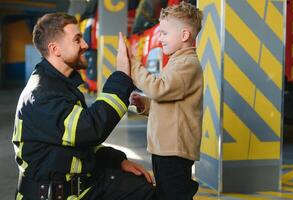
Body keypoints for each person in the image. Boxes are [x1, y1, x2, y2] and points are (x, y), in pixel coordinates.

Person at [12, 13, 156, 200]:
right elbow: (89, 128)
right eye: (77, 39)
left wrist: (117, 160)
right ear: (55, 49)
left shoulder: (60, 86)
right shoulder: (41, 94)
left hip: (74, 186)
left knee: (141, 188)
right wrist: (121, 76)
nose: (86, 45)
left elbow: (81, 145)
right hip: (54, 195)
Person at [120, 1, 204, 199]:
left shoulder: (187, 64)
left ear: (184, 35)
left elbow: (160, 90)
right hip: (165, 147)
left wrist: (133, 65)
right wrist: (145, 104)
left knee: (174, 194)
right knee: (166, 193)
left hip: (174, 150)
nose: (160, 38)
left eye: (165, 33)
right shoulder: (177, 61)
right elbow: (170, 103)